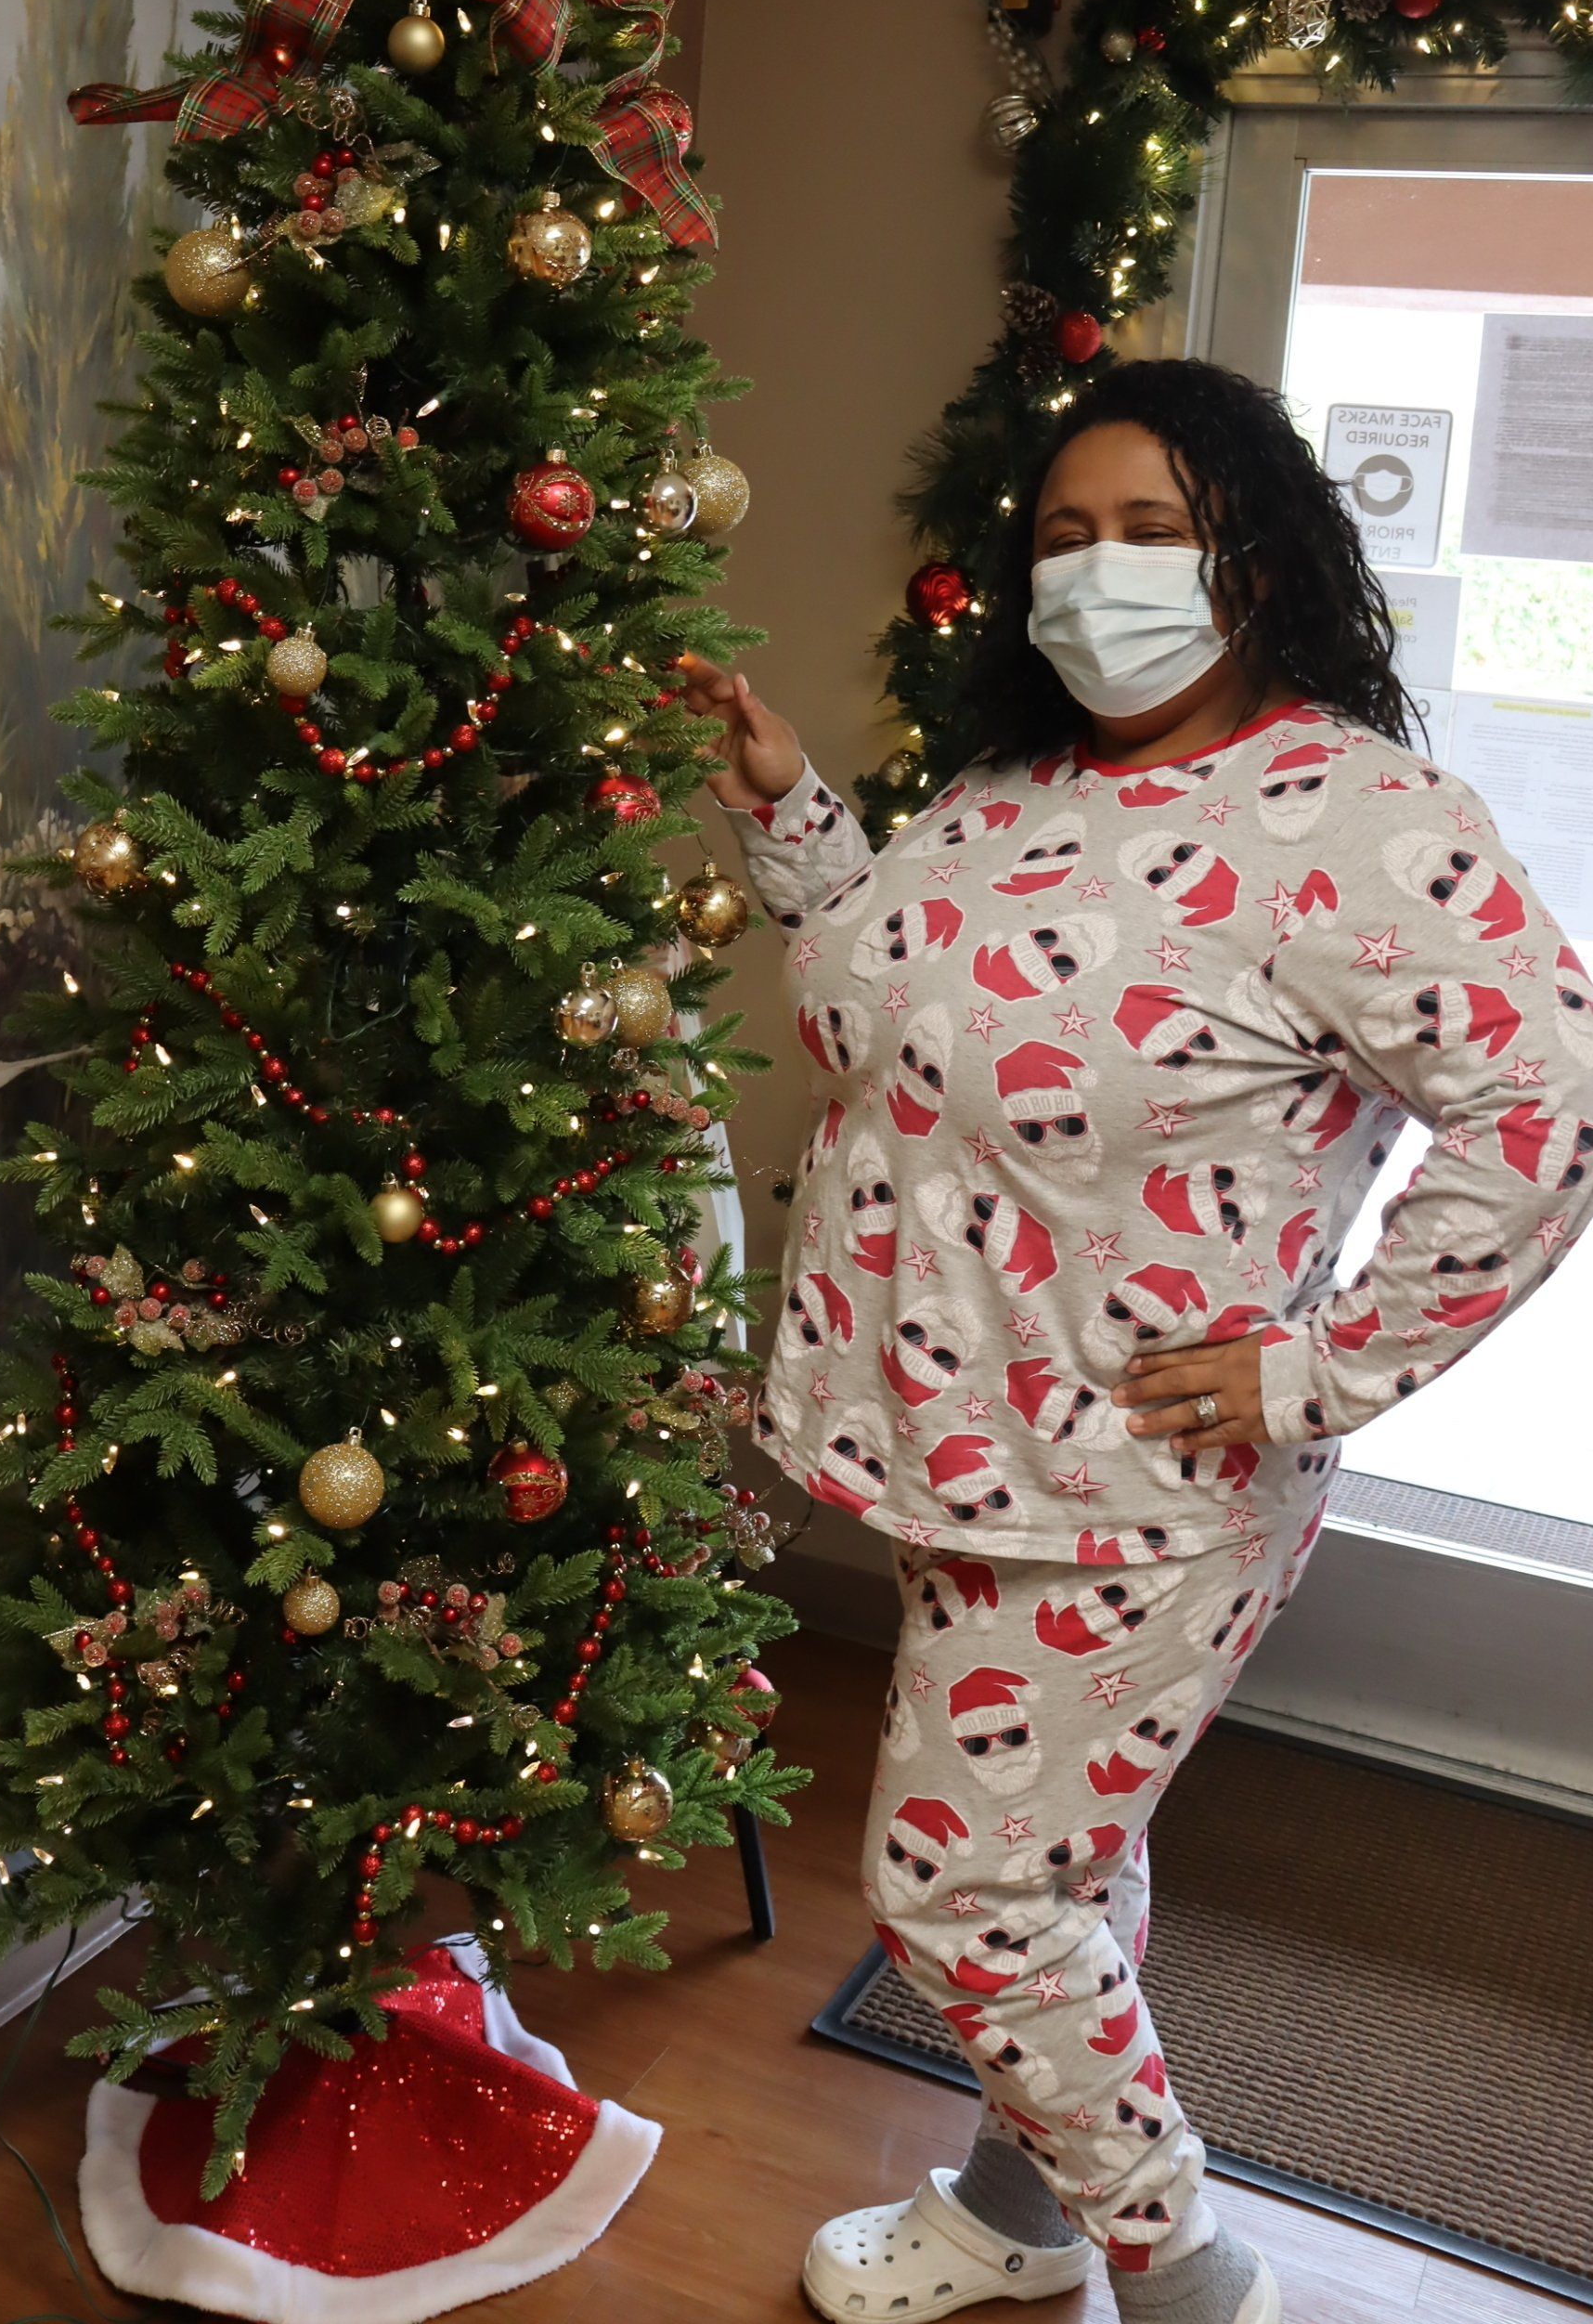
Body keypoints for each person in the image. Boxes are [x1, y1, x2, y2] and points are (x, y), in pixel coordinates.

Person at [680, 358, 1593, 2324]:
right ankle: (1017, 2214)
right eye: (1066, 538)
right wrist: (796, 817)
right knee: (1059, 1862)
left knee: (969, 1890)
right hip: (942, 1436)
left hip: (1136, 1485)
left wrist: (1317, 1369)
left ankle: (1189, 2283)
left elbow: (1551, 1107)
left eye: (1156, 531)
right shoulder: (1009, 792)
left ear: (1256, 552)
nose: (1103, 576)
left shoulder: (1355, 818)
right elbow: (869, 1032)